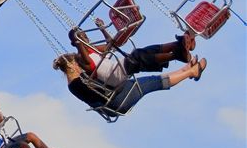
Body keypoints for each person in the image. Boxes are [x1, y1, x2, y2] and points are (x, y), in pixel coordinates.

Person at [52, 52, 207, 116]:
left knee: (151, 80)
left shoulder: (74, 83)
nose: (80, 65)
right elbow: (100, 92)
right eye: (78, 63)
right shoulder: (78, 82)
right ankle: (191, 72)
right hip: (116, 102)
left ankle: (185, 69)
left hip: (115, 98)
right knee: (153, 82)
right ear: (72, 65)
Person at [69, 24, 198, 88]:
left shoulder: (92, 49)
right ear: (76, 43)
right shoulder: (80, 58)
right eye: (82, 38)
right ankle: (177, 54)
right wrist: (78, 43)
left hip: (118, 67)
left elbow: (111, 45)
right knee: (137, 56)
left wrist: (102, 29)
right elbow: (87, 61)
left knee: (143, 52)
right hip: (114, 76)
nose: (86, 38)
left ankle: (178, 44)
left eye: (85, 36)